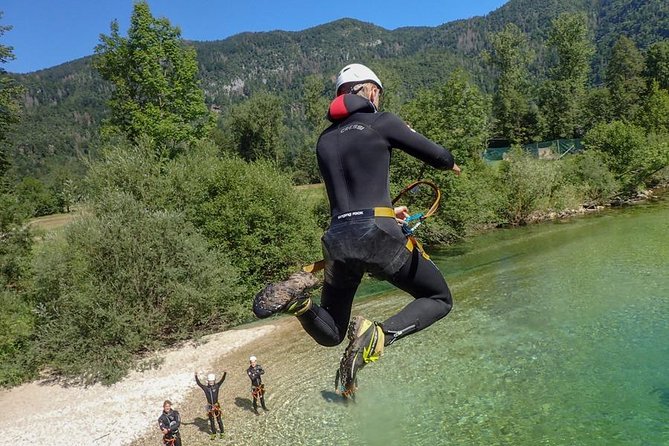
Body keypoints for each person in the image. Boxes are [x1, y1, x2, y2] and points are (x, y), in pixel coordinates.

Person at [253, 63, 460, 397]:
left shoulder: (324, 140)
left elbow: (351, 195)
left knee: (333, 331)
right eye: (379, 92)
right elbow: (439, 156)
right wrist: (448, 161)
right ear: (371, 90)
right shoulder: (382, 121)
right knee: (438, 298)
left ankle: (299, 305)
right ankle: (379, 335)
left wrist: (389, 211)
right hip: (377, 235)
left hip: (337, 239)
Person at [195, 371, 227, 439]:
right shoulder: (205, 388)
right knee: (211, 421)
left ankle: (222, 432)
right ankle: (213, 433)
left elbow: (222, 380)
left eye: (212, 381)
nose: (211, 382)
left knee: (219, 419)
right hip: (209, 406)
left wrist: (224, 373)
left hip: (216, 405)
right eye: (210, 381)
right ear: (208, 381)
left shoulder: (217, 386)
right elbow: (199, 383)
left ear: (214, 380)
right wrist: (196, 376)